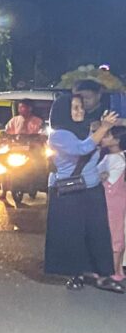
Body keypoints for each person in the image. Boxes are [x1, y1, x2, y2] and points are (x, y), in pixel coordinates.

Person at [44, 95, 120, 292]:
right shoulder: (58, 135)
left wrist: (106, 126)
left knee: (98, 233)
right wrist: (102, 128)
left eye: (81, 107)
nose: (79, 111)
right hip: (70, 192)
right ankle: (75, 274)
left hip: (93, 189)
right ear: (62, 112)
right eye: (74, 108)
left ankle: (104, 275)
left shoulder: (88, 129)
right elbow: (81, 148)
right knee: (74, 235)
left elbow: (98, 149)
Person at [102, 125, 126, 280]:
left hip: (111, 202)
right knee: (119, 233)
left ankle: (114, 272)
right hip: (120, 200)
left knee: (114, 235)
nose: (103, 138)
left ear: (116, 140)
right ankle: (118, 270)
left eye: (107, 136)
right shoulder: (123, 155)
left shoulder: (112, 159)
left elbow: (100, 177)